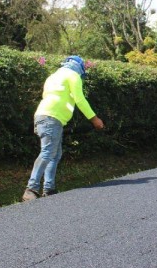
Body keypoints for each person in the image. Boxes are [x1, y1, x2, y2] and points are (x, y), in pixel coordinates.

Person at [22, 56, 105, 201]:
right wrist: (94, 118)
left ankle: (49, 189)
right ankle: (31, 189)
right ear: (79, 67)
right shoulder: (73, 76)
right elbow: (79, 99)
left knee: (55, 154)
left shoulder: (52, 76)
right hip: (52, 117)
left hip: (43, 116)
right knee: (47, 152)